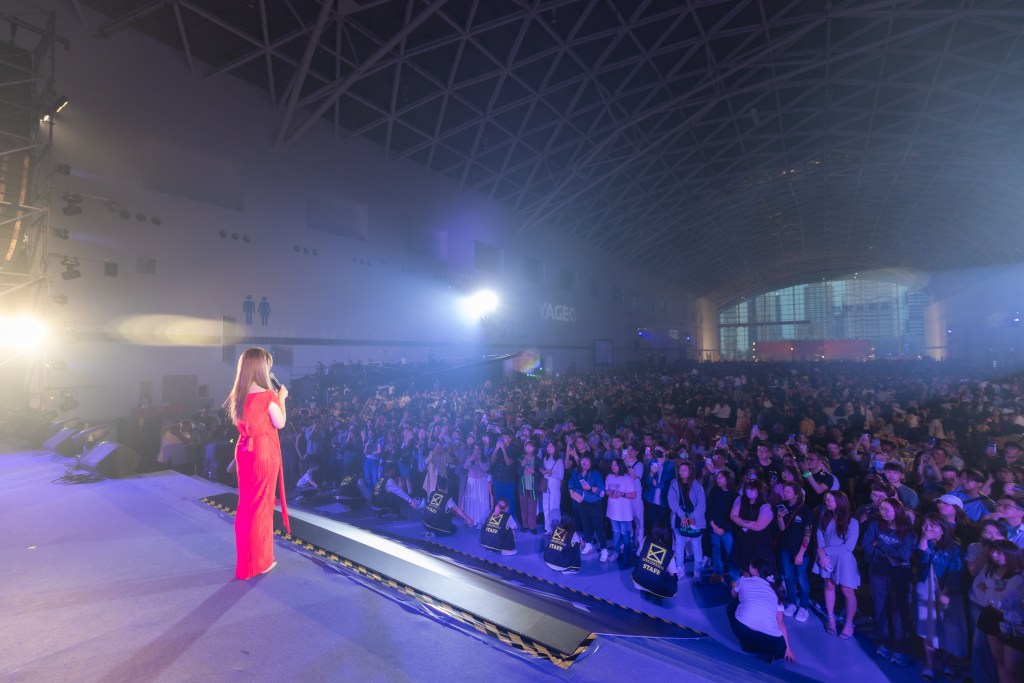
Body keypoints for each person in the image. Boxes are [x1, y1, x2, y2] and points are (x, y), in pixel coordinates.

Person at [223, 347, 290, 580]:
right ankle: (261, 562)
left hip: (244, 450)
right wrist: (281, 399)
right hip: (262, 451)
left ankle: (247, 562)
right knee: (262, 507)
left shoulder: (238, 394)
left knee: (247, 505)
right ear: (261, 367)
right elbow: (280, 423)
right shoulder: (267, 395)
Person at [862, 497, 918, 667]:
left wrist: (880, 544)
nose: (883, 512)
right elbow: (866, 545)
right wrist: (887, 554)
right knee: (880, 609)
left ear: (898, 512)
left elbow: (904, 556)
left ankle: (900, 649)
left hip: (899, 577)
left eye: (887, 510)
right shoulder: (874, 525)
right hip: (878, 573)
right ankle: (885, 643)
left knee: (899, 613)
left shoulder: (909, 533)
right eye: (882, 509)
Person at [914, 513, 968, 681]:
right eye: (925, 524)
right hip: (926, 587)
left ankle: (945, 662)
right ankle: (930, 665)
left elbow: (955, 573)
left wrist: (946, 592)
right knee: (928, 627)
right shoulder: (924, 542)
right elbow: (922, 558)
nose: (927, 528)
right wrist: (924, 538)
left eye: (933, 525)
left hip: (947, 590)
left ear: (942, 529)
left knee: (947, 628)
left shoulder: (956, 548)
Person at [728, 556, 797, 664]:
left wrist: (742, 582)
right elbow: (780, 622)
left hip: (742, 629)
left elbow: (733, 594)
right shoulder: (776, 591)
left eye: (750, 565)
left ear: (755, 570)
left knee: (732, 606)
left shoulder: (743, 580)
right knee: (777, 646)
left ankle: (747, 645)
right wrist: (787, 648)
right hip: (773, 641)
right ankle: (767, 650)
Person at [973, 540, 1024, 683]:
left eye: (999, 553)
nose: (994, 555)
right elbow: (977, 586)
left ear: (1011, 555)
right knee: (999, 660)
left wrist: (988, 591)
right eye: (993, 551)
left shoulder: (1018, 576)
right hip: (992, 615)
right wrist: (995, 595)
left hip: (1013, 622)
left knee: (1012, 667)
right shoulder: (988, 569)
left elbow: (1007, 601)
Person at [968, 521, 1011, 683]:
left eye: (998, 534)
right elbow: (973, 572)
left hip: (1004, 608)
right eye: (988, 532)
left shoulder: (1011, 551)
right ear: (980, 534)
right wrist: (986, 553)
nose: (993, 537)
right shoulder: (975, 547)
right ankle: (982, 679)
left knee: (1003, 649)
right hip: (979, 602)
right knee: (981, 643)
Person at [815, 490, 859, 639]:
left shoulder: (852, 522)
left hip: (843, 559)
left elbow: (849, 546)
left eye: (830, 500)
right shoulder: (824, 516)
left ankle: (849, 624)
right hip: (826, 557)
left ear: (840, 502)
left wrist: (825, 551)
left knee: (847, 591)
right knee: (829, 585)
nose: (826, 502)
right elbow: (819, 533)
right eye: (826, 499)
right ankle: (831, 618)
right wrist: (823, 555)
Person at [776, 481, 813, 623]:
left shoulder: (806, 510)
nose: (785, 493)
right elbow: (782, 528)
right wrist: (779, 517)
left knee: (802, 579)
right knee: (788, 577)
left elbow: (807, 534)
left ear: (797, 494)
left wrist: (801, 553)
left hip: (800, 550)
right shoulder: (781, 506)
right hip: (785, 547)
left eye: (788, 491)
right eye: (784, 491)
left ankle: (804, 607)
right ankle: (792, 603)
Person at [730, 479, 776, 585]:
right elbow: (733, 516)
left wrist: (740, 521)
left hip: (760, 544)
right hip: (743, 541)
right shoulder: (740, 499)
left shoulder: (765, 506)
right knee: (745, 568)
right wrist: (745, 524)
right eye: (747, 488)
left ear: (759, 490)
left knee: (759, 570)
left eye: (752, 489)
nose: (748, 491)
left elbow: (758, 526)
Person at [668, 460, 705, 583]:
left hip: (695, 519)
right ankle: (680, 569)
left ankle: (698, 571)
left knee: (696, 546)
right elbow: (672, 500)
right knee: (679, 545)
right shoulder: (674, 483)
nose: (681, 472)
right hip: (679, 518)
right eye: (680, 469)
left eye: (684, 470)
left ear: (691, 472)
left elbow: (701, 504)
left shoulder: (697, 485)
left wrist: (692, 517)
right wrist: (682, 515)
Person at [569, 454, 609, 560]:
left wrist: (590, 488)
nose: (584, 462)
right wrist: (571, 491)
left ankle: (604, 549)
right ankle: (588, 544)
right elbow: (571, 482)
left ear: (591, 462)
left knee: (598, 527)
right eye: (582, 460)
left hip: (594, 503)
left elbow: (601, 491)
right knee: (585, 525)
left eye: (586, 460)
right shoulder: (576, 471)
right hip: (581, 502)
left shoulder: (596, 474)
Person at [631, 521, 679, 606]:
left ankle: (644, 591)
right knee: (673, 577)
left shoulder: (645, 540)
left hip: (638, 578)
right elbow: (672, 573)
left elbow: (638, 554)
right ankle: (654, 595)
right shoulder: (668, 552)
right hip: (654, 583)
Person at [707, 469, 738, 584]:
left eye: (721, 477)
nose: (718, 479)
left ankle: (734, 578)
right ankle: (718, 573)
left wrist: (724, 529)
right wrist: (712, 524)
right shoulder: (715, 490)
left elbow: (735, 515)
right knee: (716, 551)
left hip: (727, 530)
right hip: (713, 527)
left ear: (728, 479)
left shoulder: (735, 495)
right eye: (718, 477)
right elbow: (709, 507)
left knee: (731, 553)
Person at [605, 458, 637, 564]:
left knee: (625, 532)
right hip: (612, 510)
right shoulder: (609, 477)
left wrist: (621, 494)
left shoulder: (627, 479)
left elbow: (634, 495)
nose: (613, 467)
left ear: (620, 466)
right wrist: (610, 493)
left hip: (624, 511)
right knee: (615, 532)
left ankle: (627, 554)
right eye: (612, 465)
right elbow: (606, 491)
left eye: (615, 465)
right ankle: (616, 552)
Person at [462, 443, 491, 528]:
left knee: (481, 500)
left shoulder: (486, 458)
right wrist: (470, 459)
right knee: (472, 500)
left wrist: (479, 461)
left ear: (481, 450)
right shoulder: (470, 457)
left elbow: (485, 469)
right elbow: (465, 467)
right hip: (471, 480)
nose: (476, 451)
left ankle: (481, 522)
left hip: (482, 481)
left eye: (478, 449)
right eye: (475, 449)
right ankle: (471, 520)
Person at [540, 441, 564, 535]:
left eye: (551, 446)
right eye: (548, 446)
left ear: (555, 448)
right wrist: (543, 472)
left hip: (555, 487)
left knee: (554, 508)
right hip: (546, 486)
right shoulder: (545, 459)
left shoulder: (559, 460)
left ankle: (556, 529)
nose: (549, 448)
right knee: (546, 507)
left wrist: (550, 473)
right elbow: (545, 473)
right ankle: (548, 529)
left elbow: (561, 476)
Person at [518, 440, 540, 534]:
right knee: (523, 507)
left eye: (530, 446)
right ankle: (525, 525)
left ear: (534, 448)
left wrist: (533, 472)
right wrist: (522, 464)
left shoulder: (537, 459)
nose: (528, 448)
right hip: (523, 487)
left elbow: (539, 474)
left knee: (532, 508)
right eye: (527, 446)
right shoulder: (521, 458)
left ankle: (532, 526)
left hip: (533, 487)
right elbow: (518, 473)